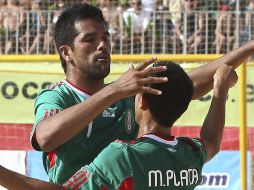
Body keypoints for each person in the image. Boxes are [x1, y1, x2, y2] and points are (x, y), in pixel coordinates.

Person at [29, 2, 254, 185]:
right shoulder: (57, 96)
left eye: (106, 38)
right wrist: (113, 91)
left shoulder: (128, 90)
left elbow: (190, 82)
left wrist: (249, 47)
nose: (102, 45)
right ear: (66, 52)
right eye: (90, 39)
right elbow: (45, 138)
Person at [1, 61, 237, 189]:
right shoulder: (189, 153)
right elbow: (211, 142)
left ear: (142, 102)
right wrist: (219, 91)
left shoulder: (122, 156)